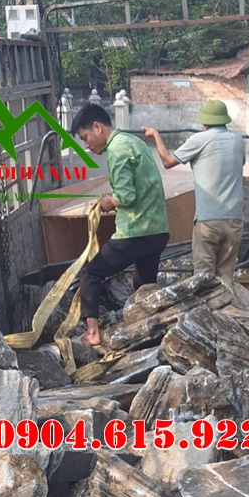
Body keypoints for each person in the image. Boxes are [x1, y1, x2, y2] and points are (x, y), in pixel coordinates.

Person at [71, 103, 170, 347]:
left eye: (85, 138)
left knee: (91, 273)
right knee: (145, 285)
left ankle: (92, 333)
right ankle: (149, 335)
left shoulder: (116, 150)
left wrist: (108, 202)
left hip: (135, 231)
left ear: (97, 127)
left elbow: (126, 196)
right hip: (157, 229)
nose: (87, 145)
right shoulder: (134, 142)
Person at [142, 100, 245, 279]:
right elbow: (240, 163)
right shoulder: (238, 140)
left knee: (203, 280)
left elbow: (167, 161)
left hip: (208, 222)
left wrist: (155, 135)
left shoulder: (198, 140)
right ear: (225, 121)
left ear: (204, 122)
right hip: (234, 220)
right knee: (225, 279)